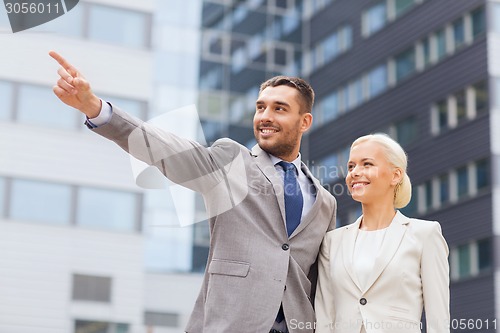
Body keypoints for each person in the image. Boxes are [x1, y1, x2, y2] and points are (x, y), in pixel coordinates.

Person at [49, 51, 337, 333]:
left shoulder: (324, 202)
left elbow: (323, 283)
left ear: (305, 122)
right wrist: (96, 109)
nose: (265, 116)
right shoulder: (231, 161)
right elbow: (166, 149)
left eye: (279, 109)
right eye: (261, 107)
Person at [315, 133, 450, 333]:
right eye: (351, 166)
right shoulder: (332, 242)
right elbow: (325, 318)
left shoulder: (425, 235)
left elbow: (438, 320)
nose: (355, 172)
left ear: (395, 175)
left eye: (367, 164)